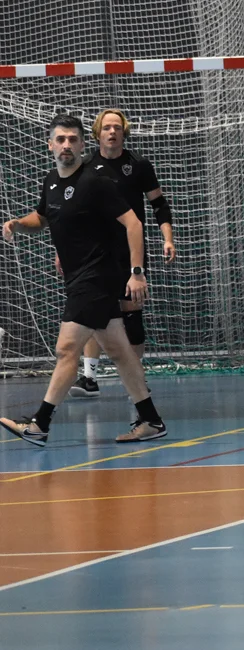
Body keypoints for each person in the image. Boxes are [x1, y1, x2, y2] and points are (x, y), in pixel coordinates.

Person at [1, 114, 168, 446]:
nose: (66, 145)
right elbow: (44, 218)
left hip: (98, 276)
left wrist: (136, 273)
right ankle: (150, 420)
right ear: (50, 145)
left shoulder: (95, 182)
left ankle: (40, 424)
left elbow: (134, 224)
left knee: (66, 349)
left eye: (73, 140)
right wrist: (18, 223)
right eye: (60, 139)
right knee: (120, 351)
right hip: (78, 276)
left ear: (82, 144)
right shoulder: (51, 181)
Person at [66, 108, 176, 398]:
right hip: (93, 252)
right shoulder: (85, 165)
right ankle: (89, 378)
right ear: (97, 133)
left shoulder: (139, 165)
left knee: (131, 314)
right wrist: (63, 250)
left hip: (130, 251)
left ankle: (135, 379)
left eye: (117, 127)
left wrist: (168, 238)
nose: (112, 132)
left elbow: (159, 205)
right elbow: (72, 212)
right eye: (106, 127)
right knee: (94, 312)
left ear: (123, 132)